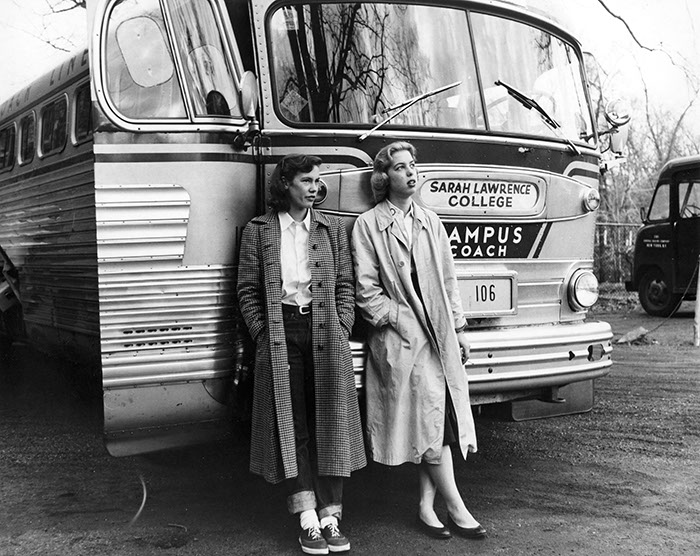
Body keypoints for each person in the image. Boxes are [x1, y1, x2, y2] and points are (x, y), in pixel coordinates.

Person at [351, 141, 485, 540]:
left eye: (413, 165)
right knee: (431, 421)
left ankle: (427, 507)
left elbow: (448, 280)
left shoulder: (430, 220)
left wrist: (459, 330)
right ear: (383, 178)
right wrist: (398, 319)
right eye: (400, 167)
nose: (411, 172)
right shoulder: (369, 224)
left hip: (439, 336)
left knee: (436, 419)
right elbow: (365, 290)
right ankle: (458, 508)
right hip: (403, 339)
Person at [237, 154, 366, 554]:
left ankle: (331, 516)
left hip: (326, 329)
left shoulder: (332, 229)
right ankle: (307, 518)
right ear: (286, 184)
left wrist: (342, 325)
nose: (315, 187)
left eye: (318, 181)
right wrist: (263, 333)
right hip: (281, 332)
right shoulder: (259, 230)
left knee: (330, 420)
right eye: (307, 180)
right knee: (291, 422)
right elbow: (246, 291)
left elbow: (346, 284)